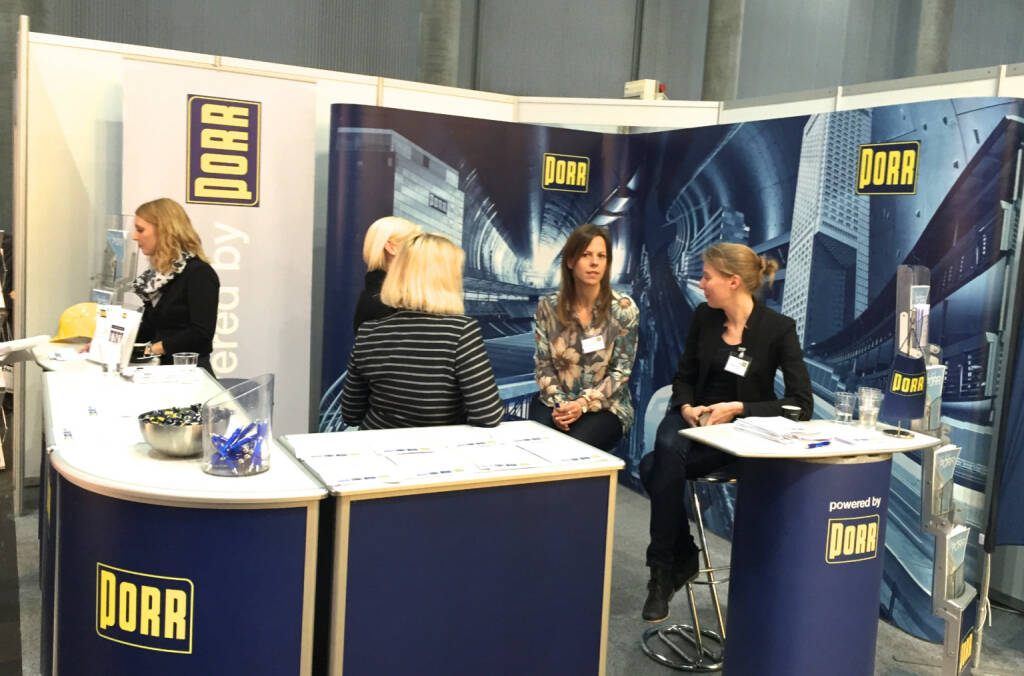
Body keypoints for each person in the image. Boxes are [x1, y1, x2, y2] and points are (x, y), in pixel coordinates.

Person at [640, 242, 813, 622]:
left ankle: (672, 564)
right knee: (667, 443)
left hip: (737, 434)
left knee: (653, 465)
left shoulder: (778, 329)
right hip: (692, 419)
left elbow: (801, 404)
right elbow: (684, 377)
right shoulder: (704, 317)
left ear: (733, 282)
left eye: (707, 277)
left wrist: (738, 408)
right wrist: (686, 406)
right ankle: (663, 568)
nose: (701, 284)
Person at [341, 232, 504, 429]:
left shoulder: (368, 332)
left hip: (376, 442)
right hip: (436, 446)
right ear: (447, 280)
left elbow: (351, 413)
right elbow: (487, 415)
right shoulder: (461, 331)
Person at [529, 223, 639, 452]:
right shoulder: (548, 307)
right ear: (570, 261)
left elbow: (621, 372)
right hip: (554, 402)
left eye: (601, 256)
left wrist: (582, 404)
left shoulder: (623, 309)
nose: (594, 262)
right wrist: (562, 405)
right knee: (537, 445)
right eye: (586, 255)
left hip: (606, 406)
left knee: (570, 447)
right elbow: (543, 365)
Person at [131, 198, 219, 375]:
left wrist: (151, 350)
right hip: (161, 370)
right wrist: (110, 343)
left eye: (140, 230)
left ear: (164, 230)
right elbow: (149, 327)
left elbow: (201, 333)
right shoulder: (158, 277)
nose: (134, 236)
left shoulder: (199, 273)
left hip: (189, 374)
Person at [353, 216, 422, 331]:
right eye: (414, 242)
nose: (422, 250)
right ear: (391, 247)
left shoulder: (379, 296)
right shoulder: (383, 302)